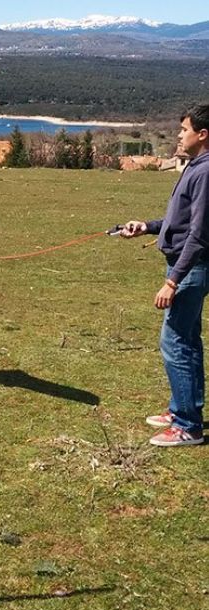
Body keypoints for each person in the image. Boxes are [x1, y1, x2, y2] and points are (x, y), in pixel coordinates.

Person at [121, 104, 209, 447]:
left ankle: (188, 425)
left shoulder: (205, 172)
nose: (178, 134)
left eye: (184, 129)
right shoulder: (196, 167)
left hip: (189, 270)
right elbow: (180, 222)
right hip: (185, 266)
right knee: (187, 340)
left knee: (174, 342)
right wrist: (147, 227)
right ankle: (183, 410)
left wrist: (173, 281)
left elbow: (200, 235)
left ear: (203, 135)